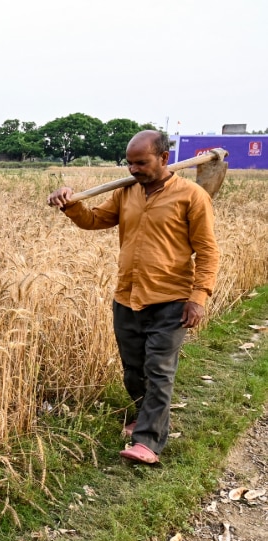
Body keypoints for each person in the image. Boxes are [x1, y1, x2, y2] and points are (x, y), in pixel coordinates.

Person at [46, 130, 220, 464]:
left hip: (171, 299)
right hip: (127, 297)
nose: (133, 169)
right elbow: (95, 220)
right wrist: (72, 205)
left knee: (159, 370)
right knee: (134, 370)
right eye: (129, 163)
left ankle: (149, 442)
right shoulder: (126, 193)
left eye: (141, 162)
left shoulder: (191, 197)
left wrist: (198, 297)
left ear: (164, 159)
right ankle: (144, 415)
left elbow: (208, 252)